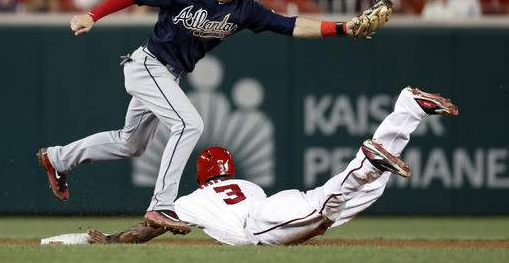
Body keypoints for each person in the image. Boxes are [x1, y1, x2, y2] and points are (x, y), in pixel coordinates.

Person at [37, 0, 391, 236]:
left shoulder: (245, 10)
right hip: (147, 65)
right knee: (189, 124)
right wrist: (92, 15)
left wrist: (344, 27)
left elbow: (291, 25)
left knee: (132, 143)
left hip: (167, 74)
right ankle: (160, 205)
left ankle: (57, 158)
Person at [44, 87, 457, 246]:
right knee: (350, 196)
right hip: (276, 203)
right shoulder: (245, 184)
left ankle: (370, 160)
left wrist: (113, 241)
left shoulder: (190, 200)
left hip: (259, 226)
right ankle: (406, 110)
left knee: (332, 202)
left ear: (202, 176)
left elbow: (149, 228)